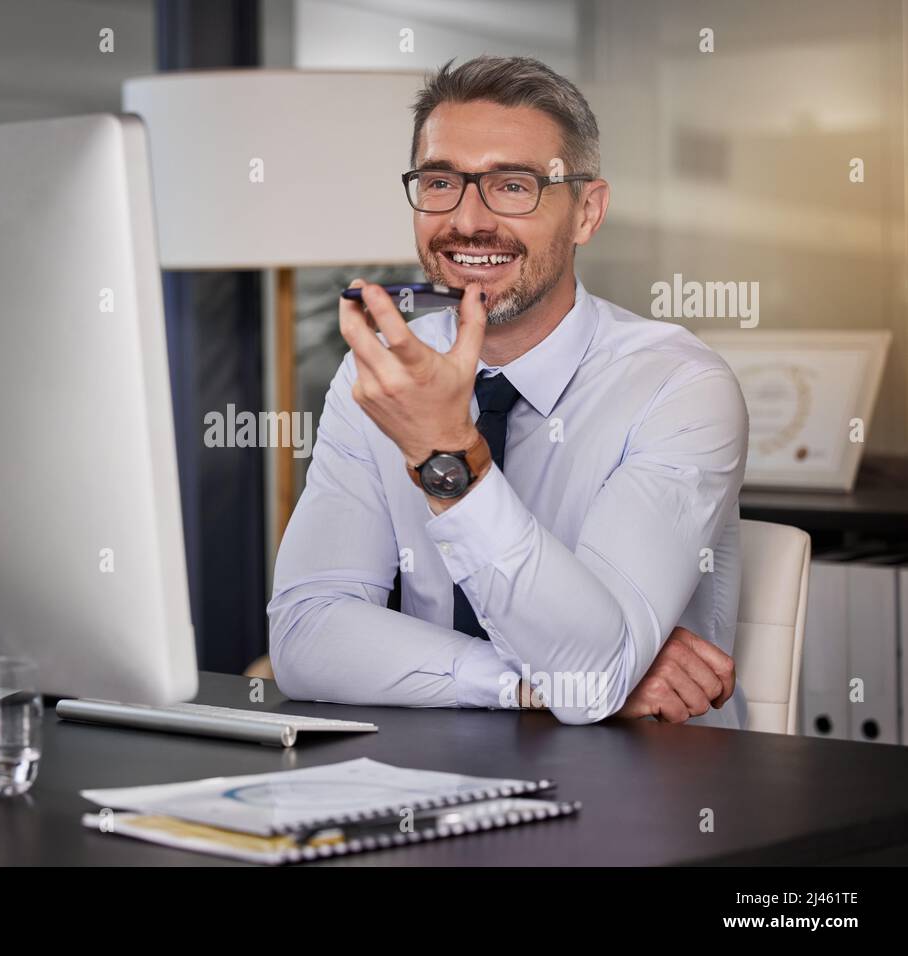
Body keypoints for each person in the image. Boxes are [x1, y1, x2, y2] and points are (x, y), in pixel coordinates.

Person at [268, 55, 746, 726]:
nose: (468, 221)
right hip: (446, 776)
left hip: (660, 786)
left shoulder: (678, 386)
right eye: (441, 182)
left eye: (513, 186)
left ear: (587, 211)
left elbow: (591, 667)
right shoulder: (378, 372)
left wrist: (447, 454)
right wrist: (529, 682)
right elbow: (306, 637)